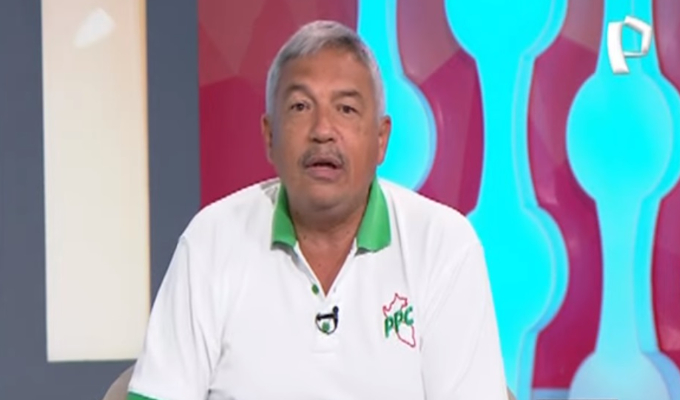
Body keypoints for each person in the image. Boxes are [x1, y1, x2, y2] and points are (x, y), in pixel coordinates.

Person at [127, 20, 507, 400]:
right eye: (300, 106)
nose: (323, 130)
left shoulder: (443, 244)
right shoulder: (211, 240)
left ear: (381, 139)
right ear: (269, 136)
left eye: (346, 108)